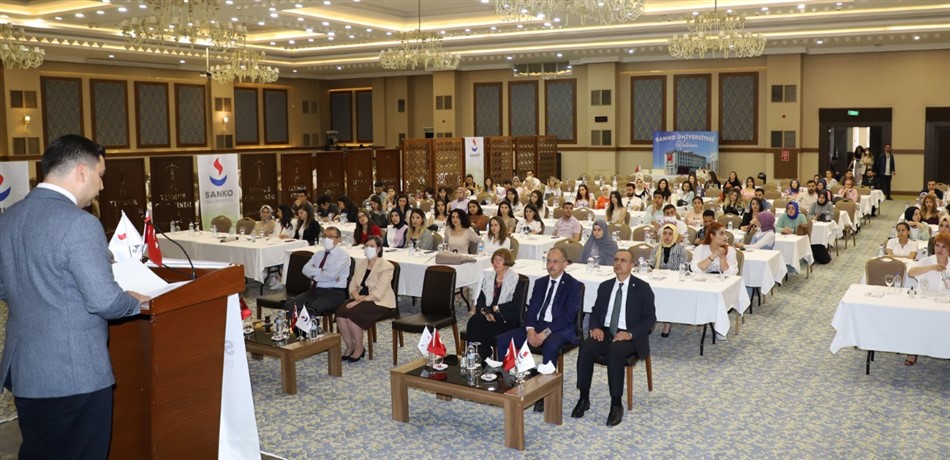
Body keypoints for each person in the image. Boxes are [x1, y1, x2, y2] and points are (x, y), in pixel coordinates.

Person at [0, 134, 149, 459]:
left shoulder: (8, 219)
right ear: (82, 171)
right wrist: (135, 302)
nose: (102, 186)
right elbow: (104, 300)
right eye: (100, 175)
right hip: (73, 374)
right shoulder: (80, 224)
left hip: (26, 372)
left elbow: (3, 286)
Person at [572, 249, 656, 427]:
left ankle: (616, 404)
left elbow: (650, 319)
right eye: (616, 260)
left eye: (623, 261)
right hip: (606, 331)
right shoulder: (605, 286)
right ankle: (583, 398)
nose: (618, 263)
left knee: (615, 352)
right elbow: (595, 311)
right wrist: (595, 327)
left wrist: (629, 333)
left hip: (629, 335)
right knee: (586, 348)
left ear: (632, 265)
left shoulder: (642, 288)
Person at [495, 247, 581, 374]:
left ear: (565, 264)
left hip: (559, 328)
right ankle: (506, 378)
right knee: (503, 340)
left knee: (551, 346)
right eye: (548, 261)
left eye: (555, 261)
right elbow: (532, 309)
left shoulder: (573, 285)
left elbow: (568, 317)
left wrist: (545, 332)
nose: (550, 265)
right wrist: (530, 329)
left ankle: (546, 383)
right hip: (538, 324)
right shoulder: (541, 282)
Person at [335, 236, 395, 363]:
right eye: (366, 246)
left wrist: (361, 300)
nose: (368, 248)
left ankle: (359, 347)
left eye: (372, 246)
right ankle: (350, 346)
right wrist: (356, 296)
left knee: (352, 315)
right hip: (360, 297)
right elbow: (352, 285)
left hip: (378, 300)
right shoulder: (361, 263)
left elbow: (379, 291)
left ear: (378, 249)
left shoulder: (386, 266)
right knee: (340, 314)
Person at [466, 249, 525, 364]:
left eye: (500, 260)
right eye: (495, 259)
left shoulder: (515, 280)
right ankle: (478, 357)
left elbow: (515, 306)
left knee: (479, 326)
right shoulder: (489, 278)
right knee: (474, 320)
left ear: (507, 263)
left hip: (506, 318)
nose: (496, 262)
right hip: (489, 315)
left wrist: (494, 309)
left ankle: (481, 357)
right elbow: (481, 300)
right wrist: (486, 313)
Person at [906, 233, 950, 365]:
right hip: (925, 301)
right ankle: (913, 351)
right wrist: (932, 267)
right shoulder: (927, 261)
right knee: (918, 317)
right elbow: (911, 273)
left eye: (944, 247)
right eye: (937, 245)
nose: (939, 249)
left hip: (946, 303)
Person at [294, 227, 350, 317]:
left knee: (309, 310)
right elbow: (305, 269)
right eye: (325, 236)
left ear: (338, 239)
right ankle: (293, 326)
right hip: (315, 290)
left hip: (334, 292)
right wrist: (321, 271)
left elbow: (330, 275)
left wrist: (313, 275)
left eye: (331, 236)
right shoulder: (318, 254)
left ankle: (308, 325)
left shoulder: (343, 256)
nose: (327, 239)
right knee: (291, 306)